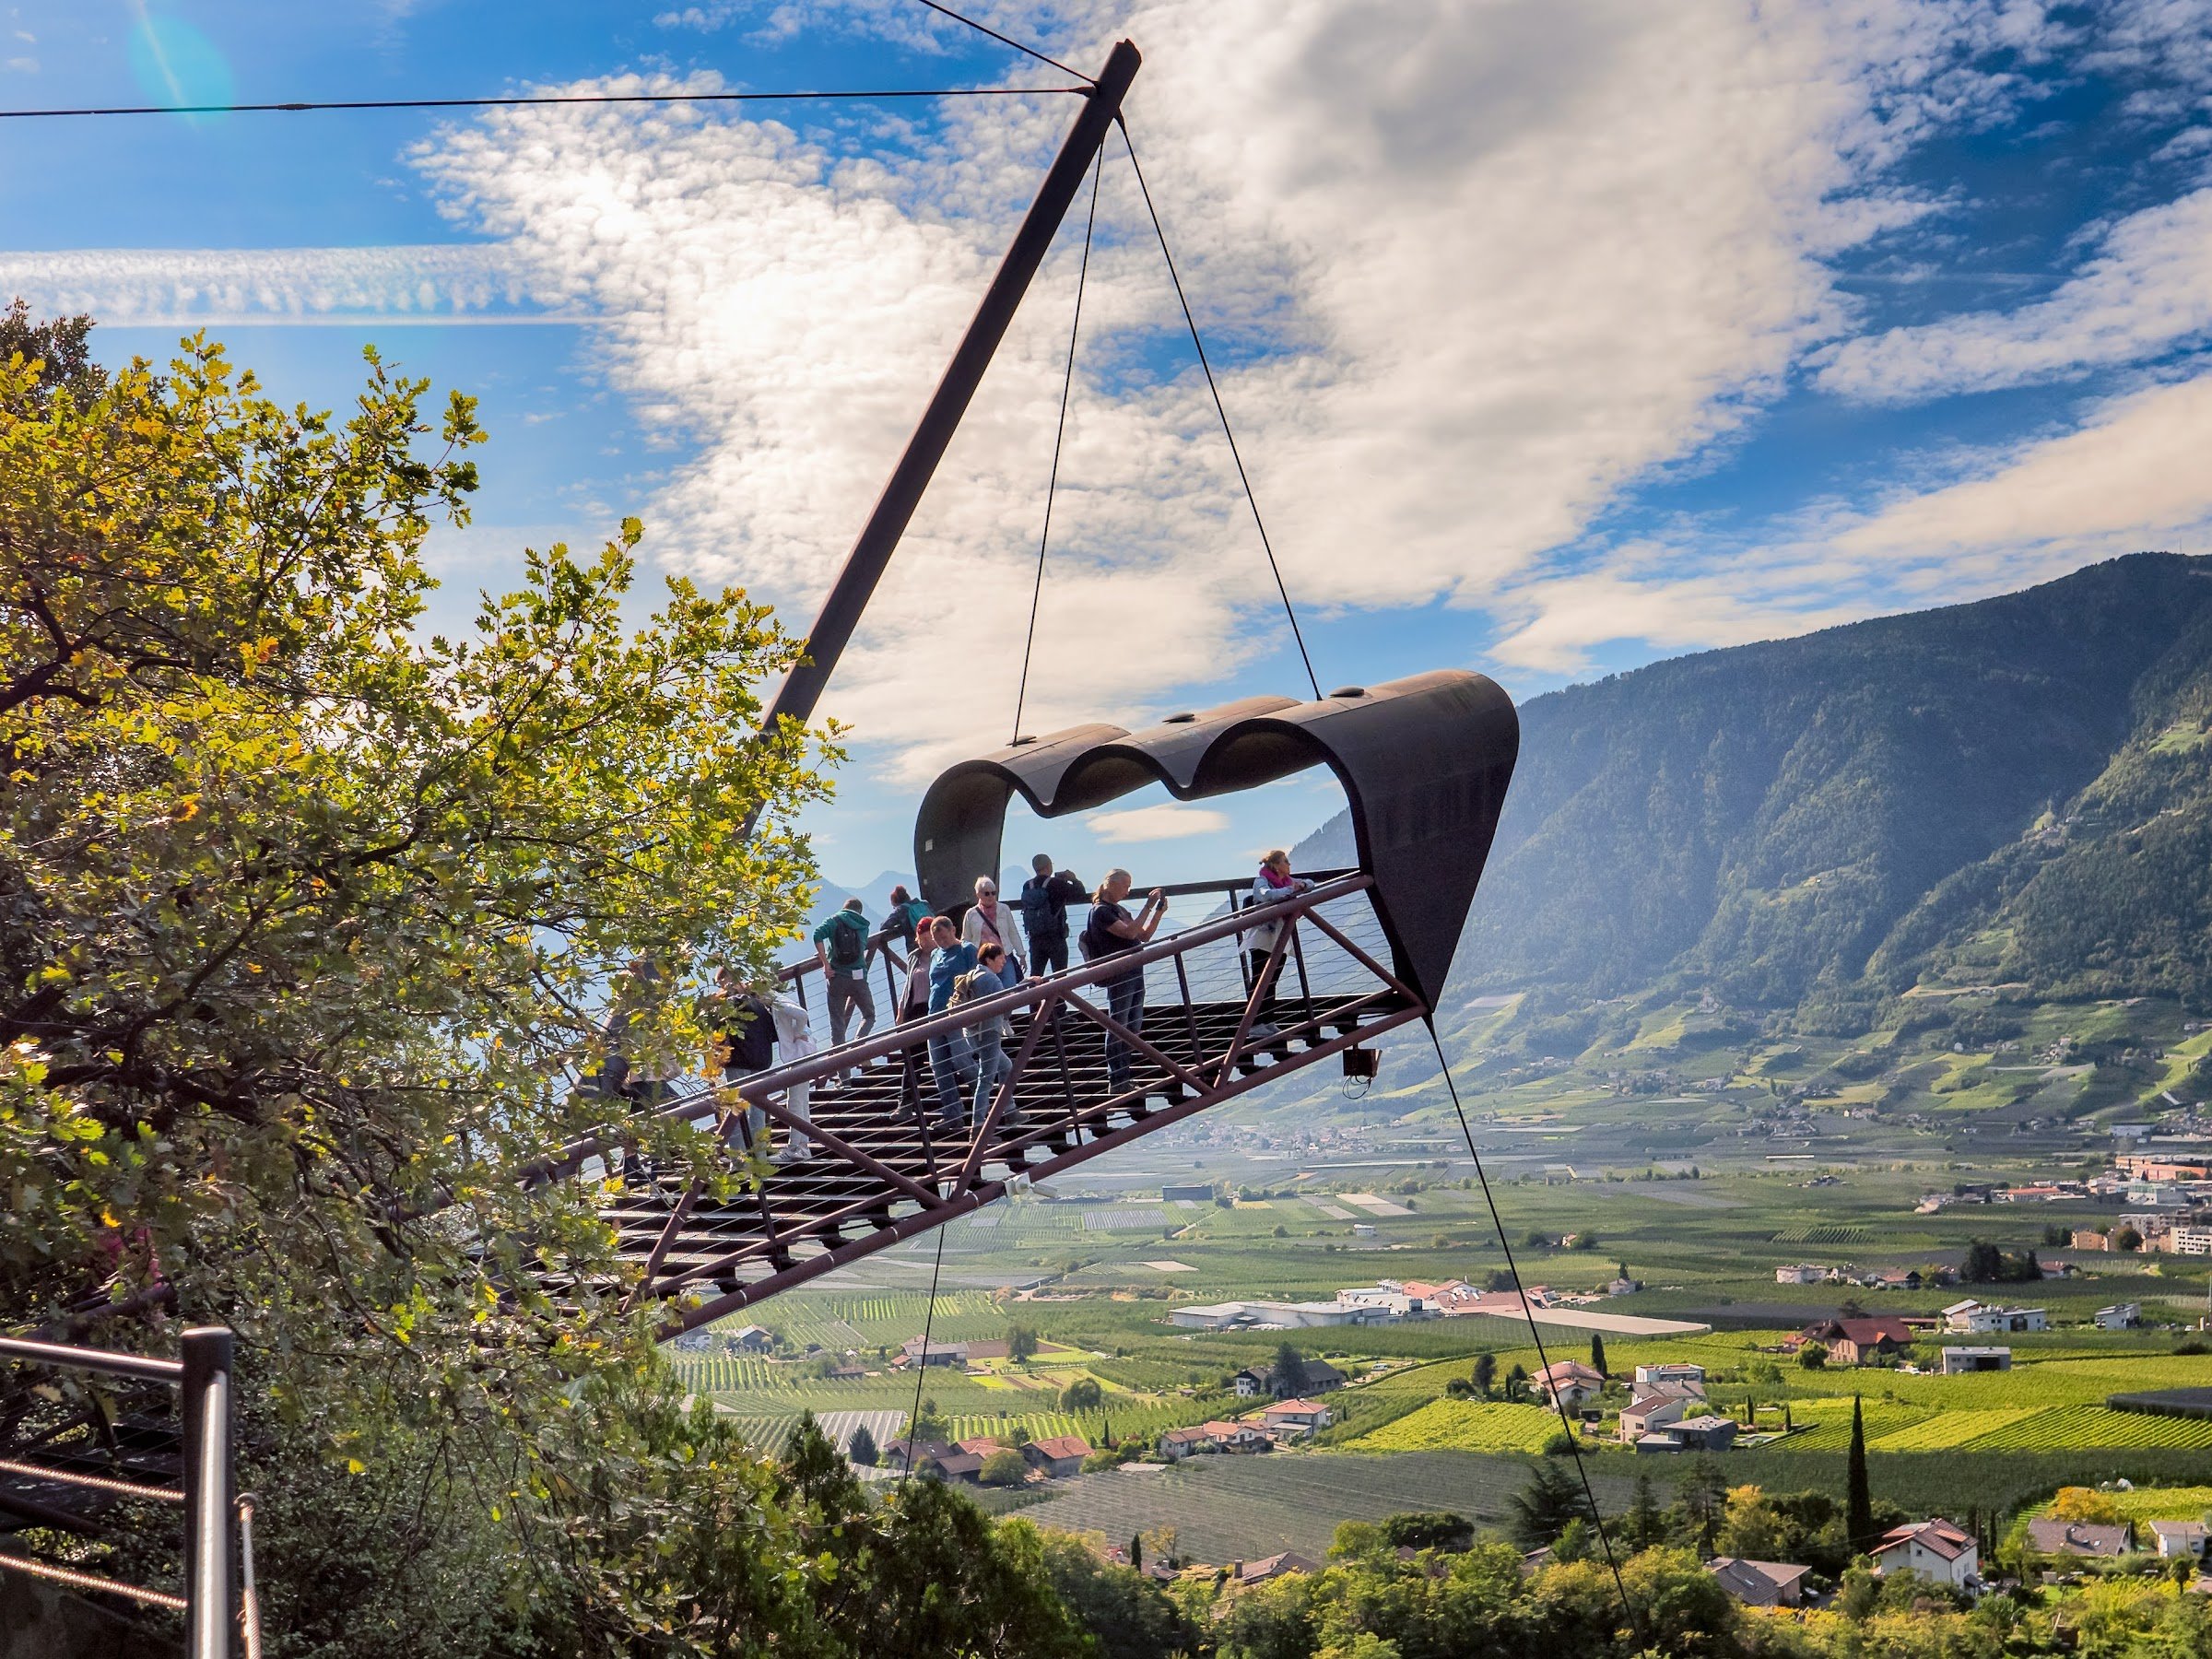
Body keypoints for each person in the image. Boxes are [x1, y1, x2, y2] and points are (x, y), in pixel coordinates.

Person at [1081, 870, 1166, 1097]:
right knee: (1119, 1024)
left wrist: (1158, 913)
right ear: (1111, 885)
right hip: (1120, 974)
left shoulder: (1118, 910)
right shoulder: (1101, 912)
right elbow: (1129, 934)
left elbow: (1143, 935)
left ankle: (1124, 1077)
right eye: (1126, 885)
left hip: (1134, 970)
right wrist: (1148, 906)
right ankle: (1116, 1078)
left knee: (1132, 1025)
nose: (1128, 891)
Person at [1242, 849, 1315, 1039]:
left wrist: (1302, 885)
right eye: (1286, 861)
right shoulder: (1262, 881)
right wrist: (1292, 889)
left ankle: (1268, 1021)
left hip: (1280, 936)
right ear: (1275, 865)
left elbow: (1310, 883)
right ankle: (1253, 1024)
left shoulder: (1286, 881)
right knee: (1260, 979)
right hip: (1263, 937)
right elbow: (1266, 895)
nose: (1289, 865)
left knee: (1272, 979)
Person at [959, 941, 1028, 1126]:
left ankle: (1010, 1109)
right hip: (988, 1032)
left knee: (1006, 1066)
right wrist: (1026, 985)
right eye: (1000, 959)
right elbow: (1006, 1006)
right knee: (986, 1079)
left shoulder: (973, 974)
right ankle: (978, 1123)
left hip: (972, 1032)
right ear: (989, 960)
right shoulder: (991, 979)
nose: (1003, 962)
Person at [713, 969, 777, 1156]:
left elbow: (716, 1029)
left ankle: (738, 1159)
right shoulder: (760, 1004)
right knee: (758, 1112)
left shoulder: (730, 1004)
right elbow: (773, 1034)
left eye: (721, 984)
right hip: (762, 1062)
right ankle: (760, 1156)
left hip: (739, 1062)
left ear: (728, 981)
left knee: (735, 1112)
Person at [923, 915, 980, 1125]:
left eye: (944, 938)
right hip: (934, 1013)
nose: (941, 943)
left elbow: (978, 978)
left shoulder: (967, 950)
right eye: (938, 940)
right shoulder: (936, 954)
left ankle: (986, 1104)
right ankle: (952, 1114)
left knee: (962, 1060)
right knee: (939, 1065)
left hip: (957, 1013)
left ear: (953, 930)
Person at [812, 896, 877, 1076]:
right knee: (869, 1015)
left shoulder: (834, 920)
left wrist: (825, 963)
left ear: (845, 907)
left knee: (838, 1027)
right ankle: (857, 1048)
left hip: (837, 978)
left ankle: (845, 1079)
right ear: (859, 911)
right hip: (859, 978)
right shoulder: (864, 924)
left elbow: (817, 934)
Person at [1018, 854, 1086, 976]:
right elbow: (1080, 894)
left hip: (1035, 937)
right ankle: (1059, 996)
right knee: (1060, 976)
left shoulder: (1028, 885)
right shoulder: (1056, 883)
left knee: (1036, 975)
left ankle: (1034, 995)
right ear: (1049, 866)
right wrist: (1073, 879)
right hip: (1055, 937)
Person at [961, 875, 1026, 975]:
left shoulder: (1004, 909)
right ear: (978, 894)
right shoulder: (971, 914)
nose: (991, 896)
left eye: (993, 893)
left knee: (1010, 988)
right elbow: (966, 939)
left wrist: (1022, 955)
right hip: (983, 961)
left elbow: (1013, 933)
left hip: (1004, 957)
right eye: (987, 893)